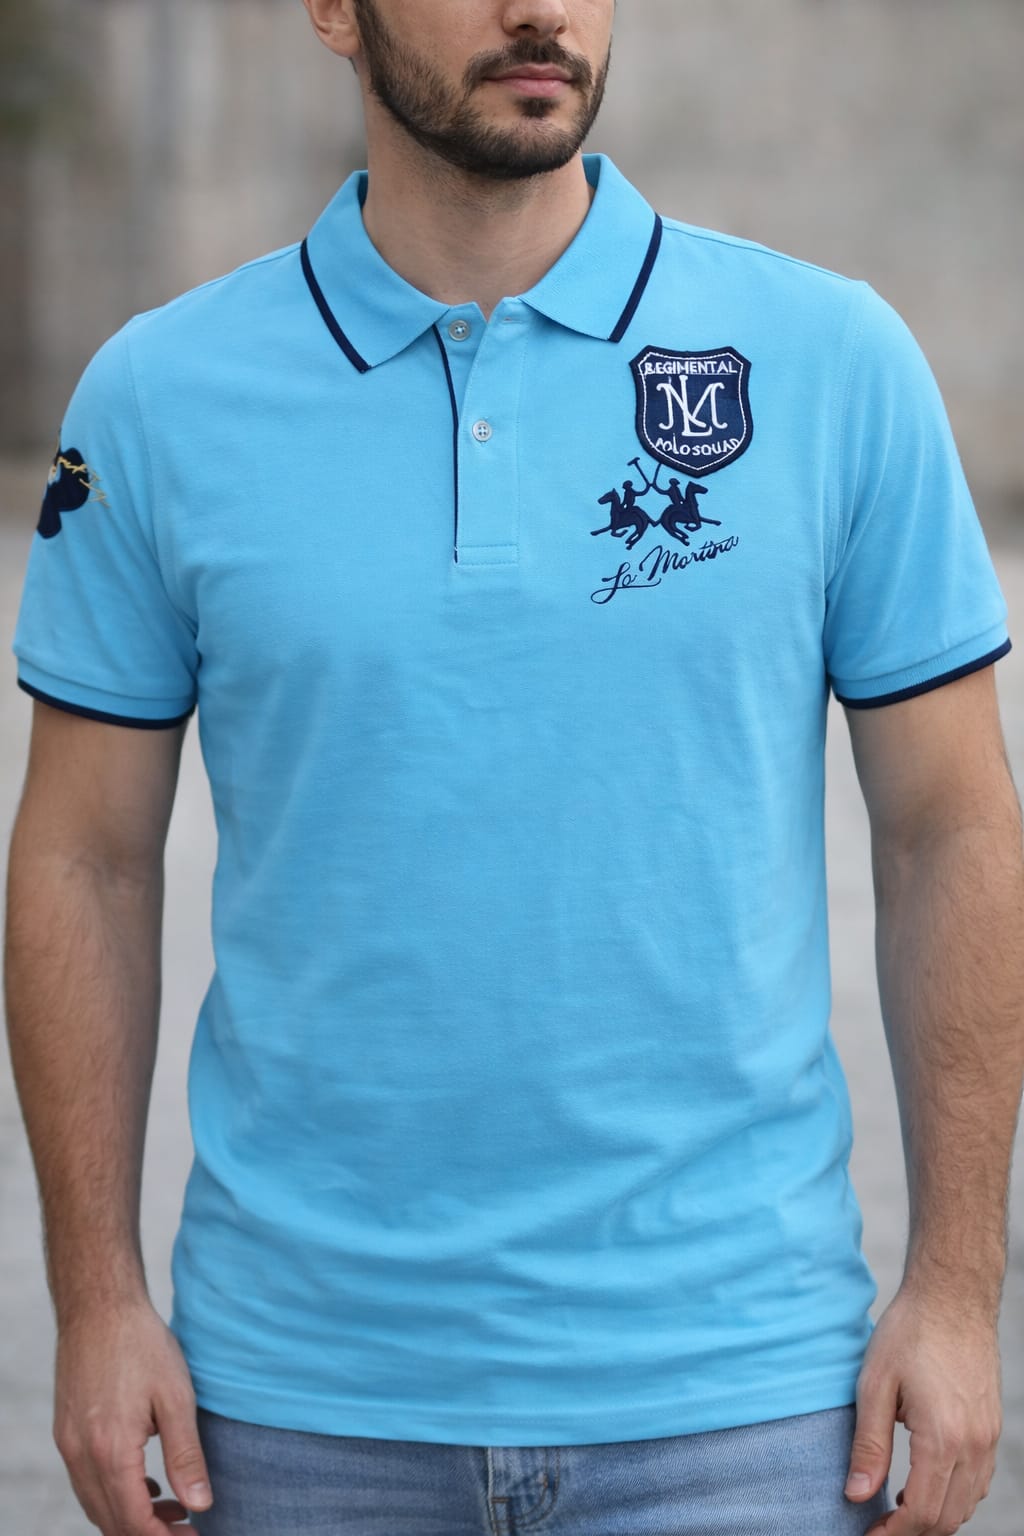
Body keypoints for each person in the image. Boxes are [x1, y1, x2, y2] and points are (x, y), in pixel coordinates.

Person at [4, 1, 1023, 1533]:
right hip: (294, 1416)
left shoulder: (833, 361)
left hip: (739, 1411)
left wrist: (954, 1289)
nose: (540, 7)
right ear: (333, 11)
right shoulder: (157, 399)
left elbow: (951, 829)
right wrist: (95, 1302)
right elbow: (84, 860)